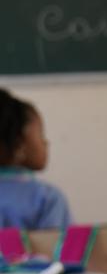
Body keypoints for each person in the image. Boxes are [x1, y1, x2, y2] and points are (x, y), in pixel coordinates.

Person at [0, 90, 70, 230]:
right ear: (20, 145)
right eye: (41, 134)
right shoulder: (45, 197)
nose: (46, 142)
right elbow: (59, 249)